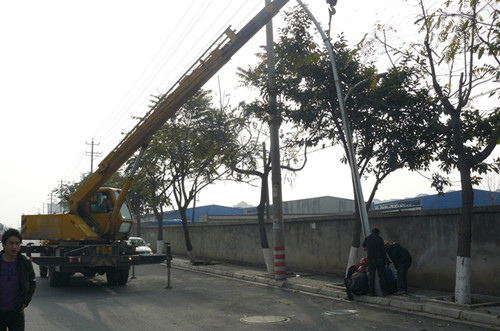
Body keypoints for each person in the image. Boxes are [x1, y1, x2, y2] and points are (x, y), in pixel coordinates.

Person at [0, 228, 36, 331]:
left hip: (16, 313)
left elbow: (32, 283)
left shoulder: (25, 263)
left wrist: (25, 302)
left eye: (17, 243)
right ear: (4, 244)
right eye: (11, 243)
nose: (14, 247)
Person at [362, 228, 390, 296]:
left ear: (372, 232)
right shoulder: (380, 239)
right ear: (378, 233)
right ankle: (385, 291)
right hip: (380, 260)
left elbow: (363, 245)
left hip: (371, 260)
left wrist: (367, 248)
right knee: (382, 276)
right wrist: (386, 261)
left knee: (372, 277)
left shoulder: (368, 238)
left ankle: (371, 292)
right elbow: (383, 252)